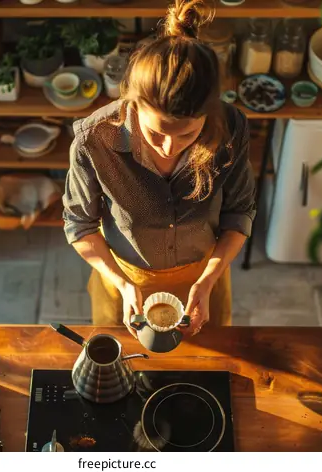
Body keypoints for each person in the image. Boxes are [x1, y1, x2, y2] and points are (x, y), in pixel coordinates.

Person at [62, 0, 256, 337]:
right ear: (134, 103)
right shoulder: (94, 141)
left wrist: (208, 279)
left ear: (209, 115)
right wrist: (121, 284)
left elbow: (239, 212)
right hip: (125, 284)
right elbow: (80, 225)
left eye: (188, 135)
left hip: (204, 279)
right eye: (155, 133)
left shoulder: (231, 128)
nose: (168, 147)